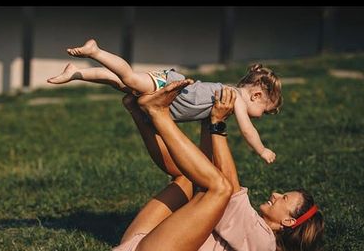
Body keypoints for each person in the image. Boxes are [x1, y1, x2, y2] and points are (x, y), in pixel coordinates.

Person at [110, 80, 324, 251]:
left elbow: (229, 189)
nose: (275, 194)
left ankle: (157, 112)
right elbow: (204, 170)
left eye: (284, 198)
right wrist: (208, 117)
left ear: (289, 222)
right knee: (189, 178)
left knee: (220, 188)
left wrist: (218, 124)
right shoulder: (250, 226)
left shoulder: (264, 244)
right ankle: (138, 110)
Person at [47, 39, 283, 164]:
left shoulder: (227, 98)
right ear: (257, 96)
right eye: (265, 110)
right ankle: (96, 52)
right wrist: (262, 150)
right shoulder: (237, 99)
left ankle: (76, 72)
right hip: (171, 87)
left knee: (119, 84)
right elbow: (248, 130)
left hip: (172, 95)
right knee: (128, 77)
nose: (261, 116)